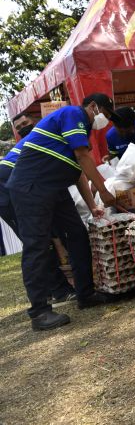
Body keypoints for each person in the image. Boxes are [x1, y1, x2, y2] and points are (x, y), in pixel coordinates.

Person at [6, 93, 120, 331]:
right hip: (32, 186)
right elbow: (82, 156)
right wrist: (104, 191)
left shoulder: (81, 133)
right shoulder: (73, 114)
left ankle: (85, 294)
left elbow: (78, 170)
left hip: (55, 187)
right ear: (93, 107)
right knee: (37, 245)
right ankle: (39, 312)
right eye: (106, 115)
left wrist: (94, 207)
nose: (105, 121)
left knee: (77, 234)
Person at [1, 114, 76, 306]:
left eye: (26, 123)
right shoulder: (46, 139)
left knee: (41, 239)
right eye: (20, 126)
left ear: (34, 121)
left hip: (16, 187)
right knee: (37, 242)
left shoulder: (42, 137)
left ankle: (52, 291)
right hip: (7, 189)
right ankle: (56, 292)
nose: (24, 127)